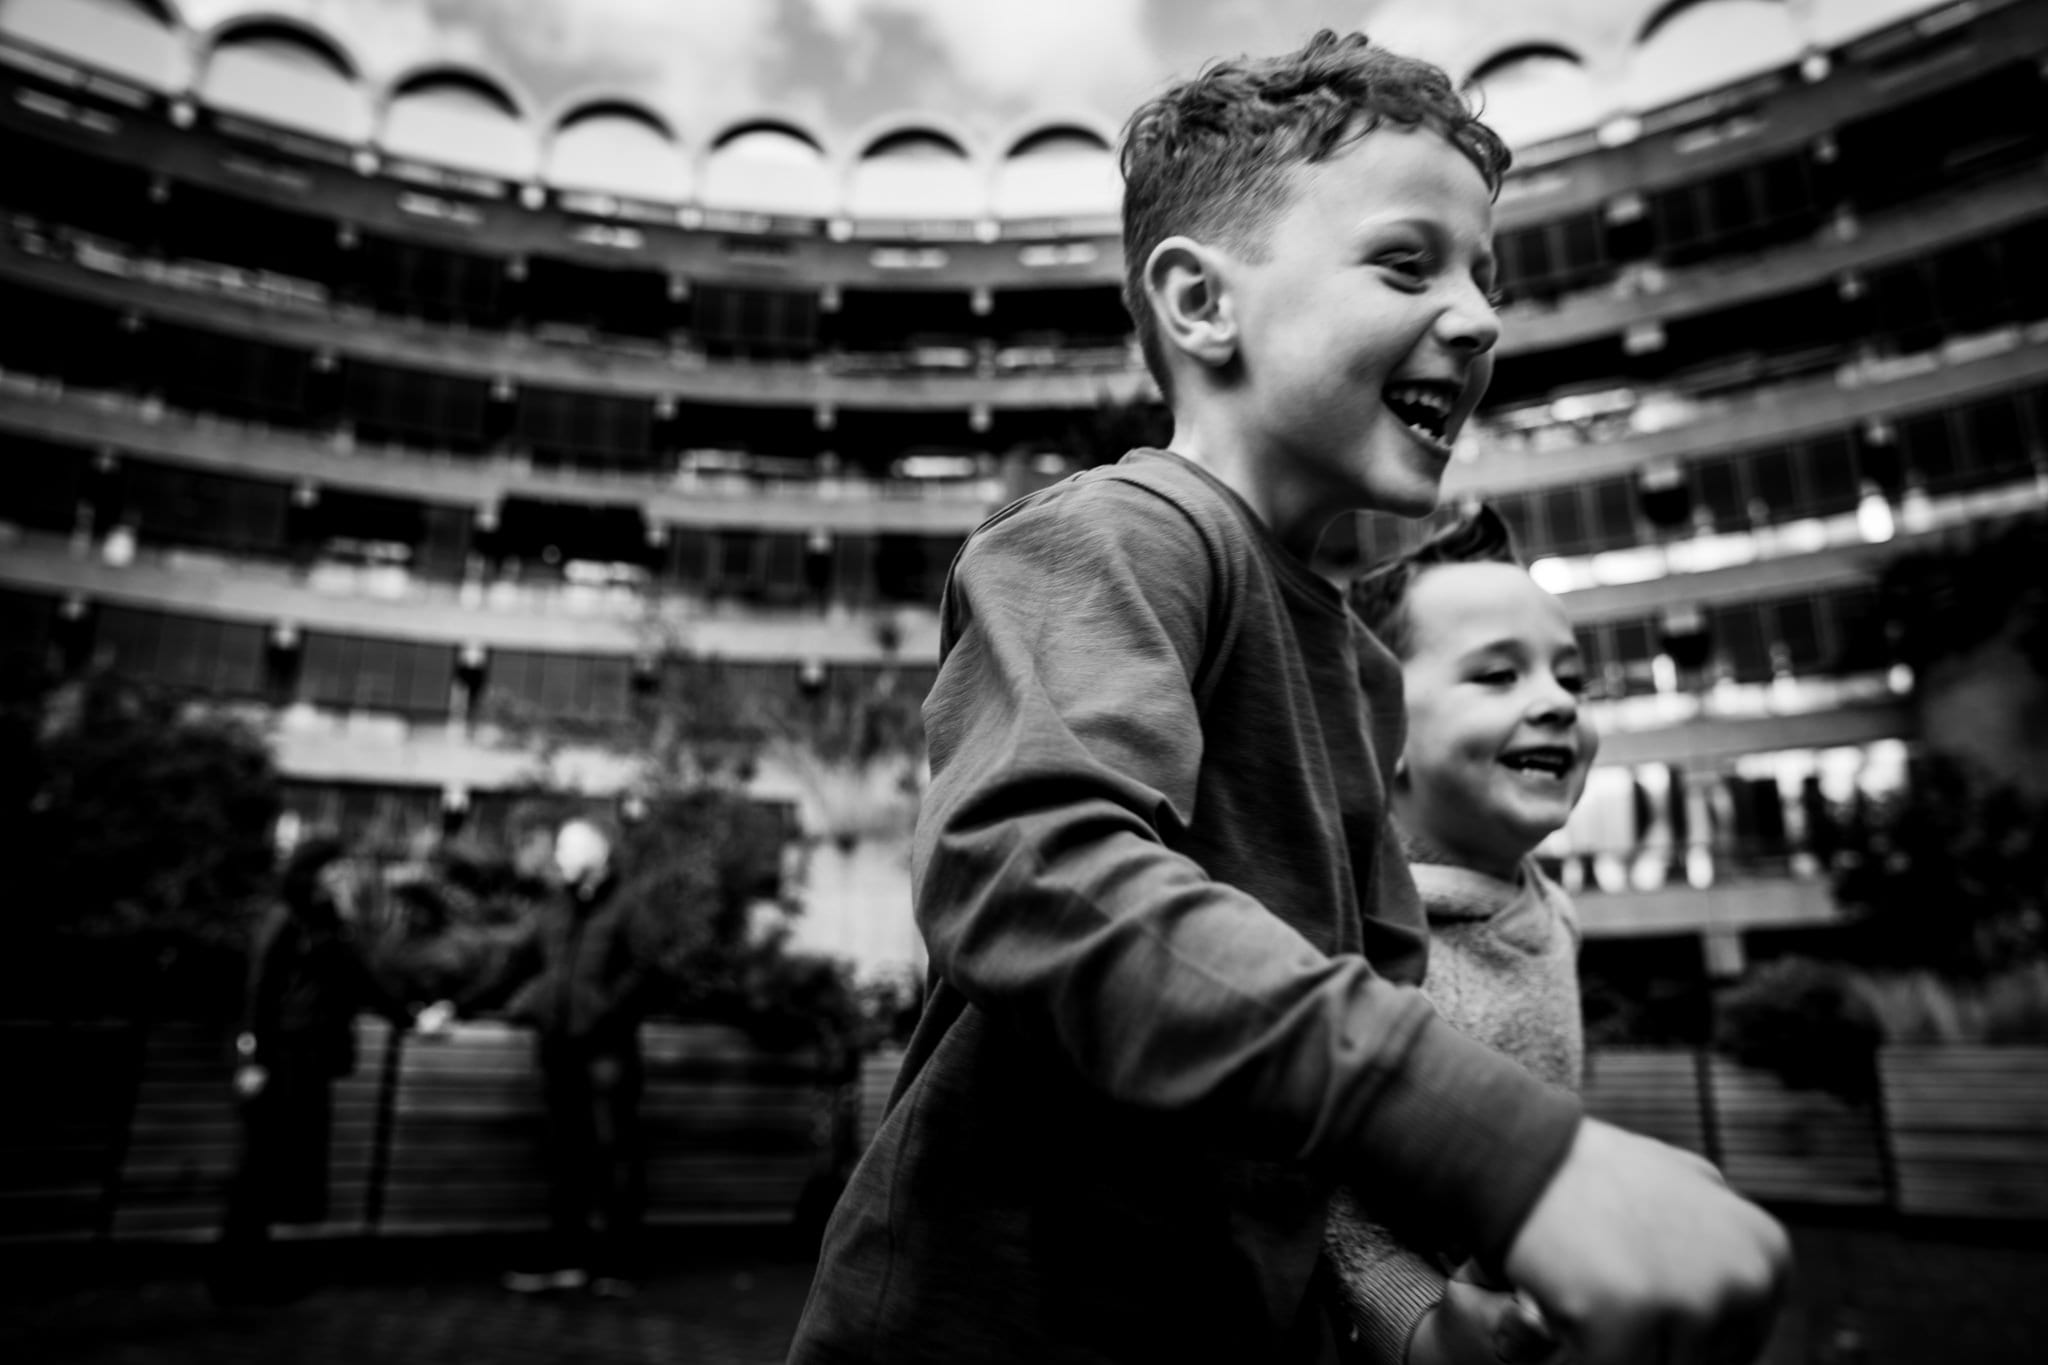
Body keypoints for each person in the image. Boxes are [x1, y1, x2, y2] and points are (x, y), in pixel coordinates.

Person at [789, 29, 1787, 1365]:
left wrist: (1412, 1320)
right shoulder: (1119, 534)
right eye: (1407, 262)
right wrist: (1513, 1154)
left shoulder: (1365, 676)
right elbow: (1031, 874)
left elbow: (1300, 1120)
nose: (1483, 317)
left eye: (1485, 277)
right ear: (1202, 305)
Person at [1324, 506, 1596, 1365]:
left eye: (1572, 679)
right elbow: (1310, 1188)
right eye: (1497, 676)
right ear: (1383, 730)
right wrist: (1415, 1316)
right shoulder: (1352, 944)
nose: (1555, 702)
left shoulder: (1555, 915)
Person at [422, 815, 656, 1299]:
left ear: (599, 853)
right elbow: (513, 968)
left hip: (607, 1053)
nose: (560, 859)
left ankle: (617, 1262)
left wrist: (600, 1016)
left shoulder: (629, 908)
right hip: (559, 1050)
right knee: (565, 1154)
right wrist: (457, 1006)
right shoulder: (553, 911)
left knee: (615, 1152)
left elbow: (644, 974)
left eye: (569, 849)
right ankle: (566, 1258)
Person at [212, 834, 415, 1305]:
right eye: (335, 871)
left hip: (309, 1060)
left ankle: (249, 1271)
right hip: (280, 1058)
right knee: (259, 1166)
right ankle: (234, 1276)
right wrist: (251, 1060)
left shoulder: (327, 926)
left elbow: (364, 983)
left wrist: (412, 1017)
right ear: (313, 873)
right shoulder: (284, 919)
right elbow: (256, 993)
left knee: (274, 1166)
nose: (344, 879)